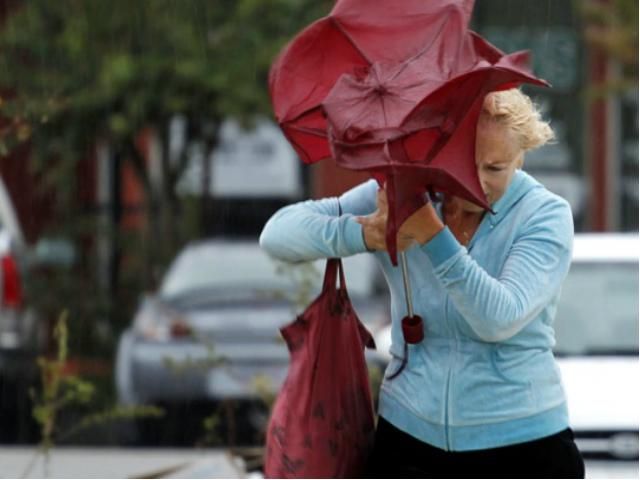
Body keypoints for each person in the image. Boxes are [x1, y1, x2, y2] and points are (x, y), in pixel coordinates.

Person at [259, 88, 585, 478]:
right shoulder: (404, 195)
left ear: (521, 157)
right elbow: (277, 235)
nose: (476, 182)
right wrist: (366, 235)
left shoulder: (545, 215)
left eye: (495, 169)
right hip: (410, 434)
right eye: (463, 164)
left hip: (523, 443)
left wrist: (431, 235)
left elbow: (497, 318)